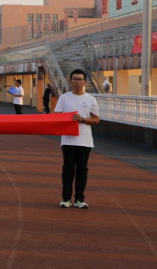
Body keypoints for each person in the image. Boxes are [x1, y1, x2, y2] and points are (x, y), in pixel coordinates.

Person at [55, 69, 100, 209]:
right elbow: (57, 116)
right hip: (68, 140)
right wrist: (68, 118)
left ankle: (80, 199)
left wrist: (83, 119)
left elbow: (96, 120)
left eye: (80, 79)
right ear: (70, 81)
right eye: (74, 79)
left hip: (85, 141)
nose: (77, 82)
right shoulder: (64, 98)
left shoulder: (91, 99)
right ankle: (66, 199)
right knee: (67, 169)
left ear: (85, 81)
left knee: (82, 170)